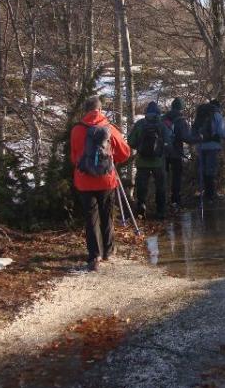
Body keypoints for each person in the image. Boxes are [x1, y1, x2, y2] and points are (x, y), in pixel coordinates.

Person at [70, 96, 131, 272]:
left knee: (91, 218)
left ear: (86, 110)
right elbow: (125, 152)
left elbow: (74, 157)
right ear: (100, 109)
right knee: (107, 214)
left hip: (84, 180)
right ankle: (109, 251)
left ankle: (94, 255)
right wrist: (113, 160)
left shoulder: (77, 130)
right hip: (106, 179)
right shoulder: (109, 128)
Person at [128, 101, 173, 219]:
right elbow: (169, 143)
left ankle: (141, 209)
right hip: (158, 162)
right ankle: (160, 211)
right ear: (158, 113)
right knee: (160, 186)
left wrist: (139, 146)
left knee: (142, 186)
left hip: (142, 162)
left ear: (146, 113)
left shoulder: (140, 124)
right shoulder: (162, 125)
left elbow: (131, 142)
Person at [192, 99, 225, 202]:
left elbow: (194, 130)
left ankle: (205, 193)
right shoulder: (217, 115)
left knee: (203, 169)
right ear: (218, 106)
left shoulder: (200, 114)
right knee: (210, 170)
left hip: (201, 146)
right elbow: (222, 132)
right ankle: (210, 195)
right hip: (213, 146)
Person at [163, 97, 192, 209]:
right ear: (182, 108)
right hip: (176, 153)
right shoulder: (181, 120)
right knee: (176, 177)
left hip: (163, 153)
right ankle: (175, 200)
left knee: (163, 177)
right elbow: (186, 137)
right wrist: (198, 138)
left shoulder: (163, 118)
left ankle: (162, 200)